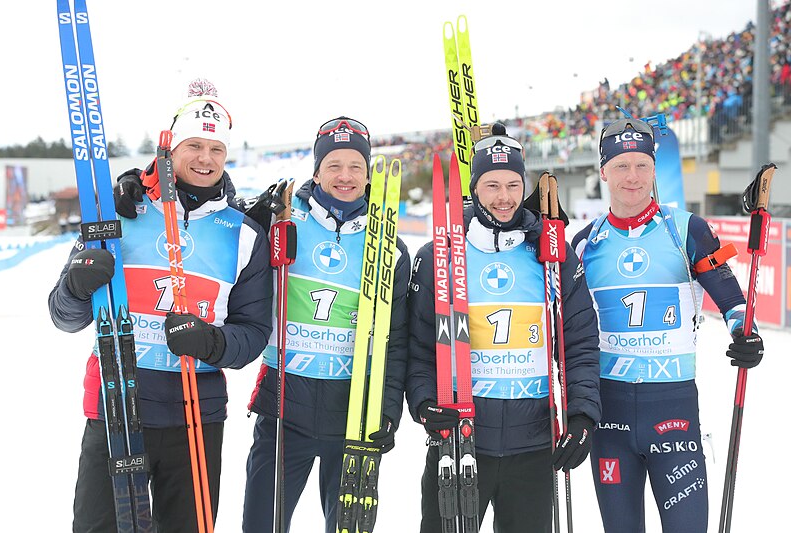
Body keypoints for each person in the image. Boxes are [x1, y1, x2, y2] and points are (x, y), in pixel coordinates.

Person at [48, 80, 274, 532]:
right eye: (194, 145)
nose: (205, 158)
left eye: (216, 148)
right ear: (171, 148)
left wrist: (210, 341)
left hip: (195, 415)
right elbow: (63, 314)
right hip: (117, 404)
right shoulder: (118, 212)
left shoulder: (244, 234)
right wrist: (77, 284)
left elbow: (252, 334)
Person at [406, 123, 602, 533]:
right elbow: (421, 345)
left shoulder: (550, 252)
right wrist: (426, 404)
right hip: (459, 441)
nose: (504, 197)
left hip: (533, 444)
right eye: (492, 185)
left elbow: (579, 341)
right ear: (475, 188)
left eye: (513, 184)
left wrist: (582, 415)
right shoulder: (442, 252)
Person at [572, 117, 764, 533]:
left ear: (655, 169)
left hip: (672, 410)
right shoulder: (585, 244)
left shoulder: (687, 230)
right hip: (609, 414)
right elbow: (567, 325)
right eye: (621, 166)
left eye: (642, 165)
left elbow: (732, 300)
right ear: (603, 171)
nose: (633, 177)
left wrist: (744, 333)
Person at [242, 117, 411, 532]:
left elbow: (398, 341)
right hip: (284, 407)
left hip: (352, 412)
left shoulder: (390, 245)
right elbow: (220, 220)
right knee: (261, 524)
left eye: (355, 165)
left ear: (369, 174)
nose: (345, 176)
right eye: (333, 165)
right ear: (316, 171)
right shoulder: (281, 220)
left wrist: (387, 408)